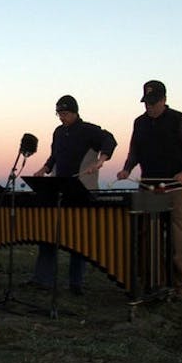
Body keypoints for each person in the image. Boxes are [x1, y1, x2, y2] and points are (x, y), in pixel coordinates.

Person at [117, 80, 182, 303]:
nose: (150, 107)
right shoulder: (140, 123)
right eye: (147, 103)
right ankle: (154, 282)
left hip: (176, 189)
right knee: (148, 237)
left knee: (179, 239)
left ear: (164, 100)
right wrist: (127, 169)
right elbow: (134, 151)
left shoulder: (179, 120)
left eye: (154, 103)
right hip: (148, 187)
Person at [28, 95, 117, 295]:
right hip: (60, 190)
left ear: (75, 112)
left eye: (65, 113)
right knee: (48, 235)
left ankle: (75, 284)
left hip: (83, 191)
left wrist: (101, 160)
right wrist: (44, 169)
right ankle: (43, 279)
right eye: (59, 114)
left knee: (79, 238)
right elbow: (54, 156)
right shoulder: (58, 132)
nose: (61, 117)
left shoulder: (89, 130)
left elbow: (109, 140)